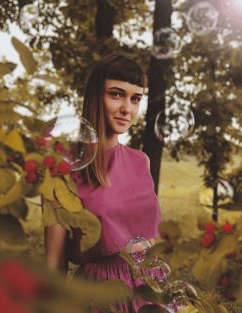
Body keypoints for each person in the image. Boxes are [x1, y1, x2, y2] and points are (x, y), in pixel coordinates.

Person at [44, 54, 162, 312]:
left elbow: (151, 239)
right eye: (116, 94)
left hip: (149, 290)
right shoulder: (63, 170)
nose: (127, 109)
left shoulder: (141, 161)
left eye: (136, 98)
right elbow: (54, 264)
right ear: (95, 96)